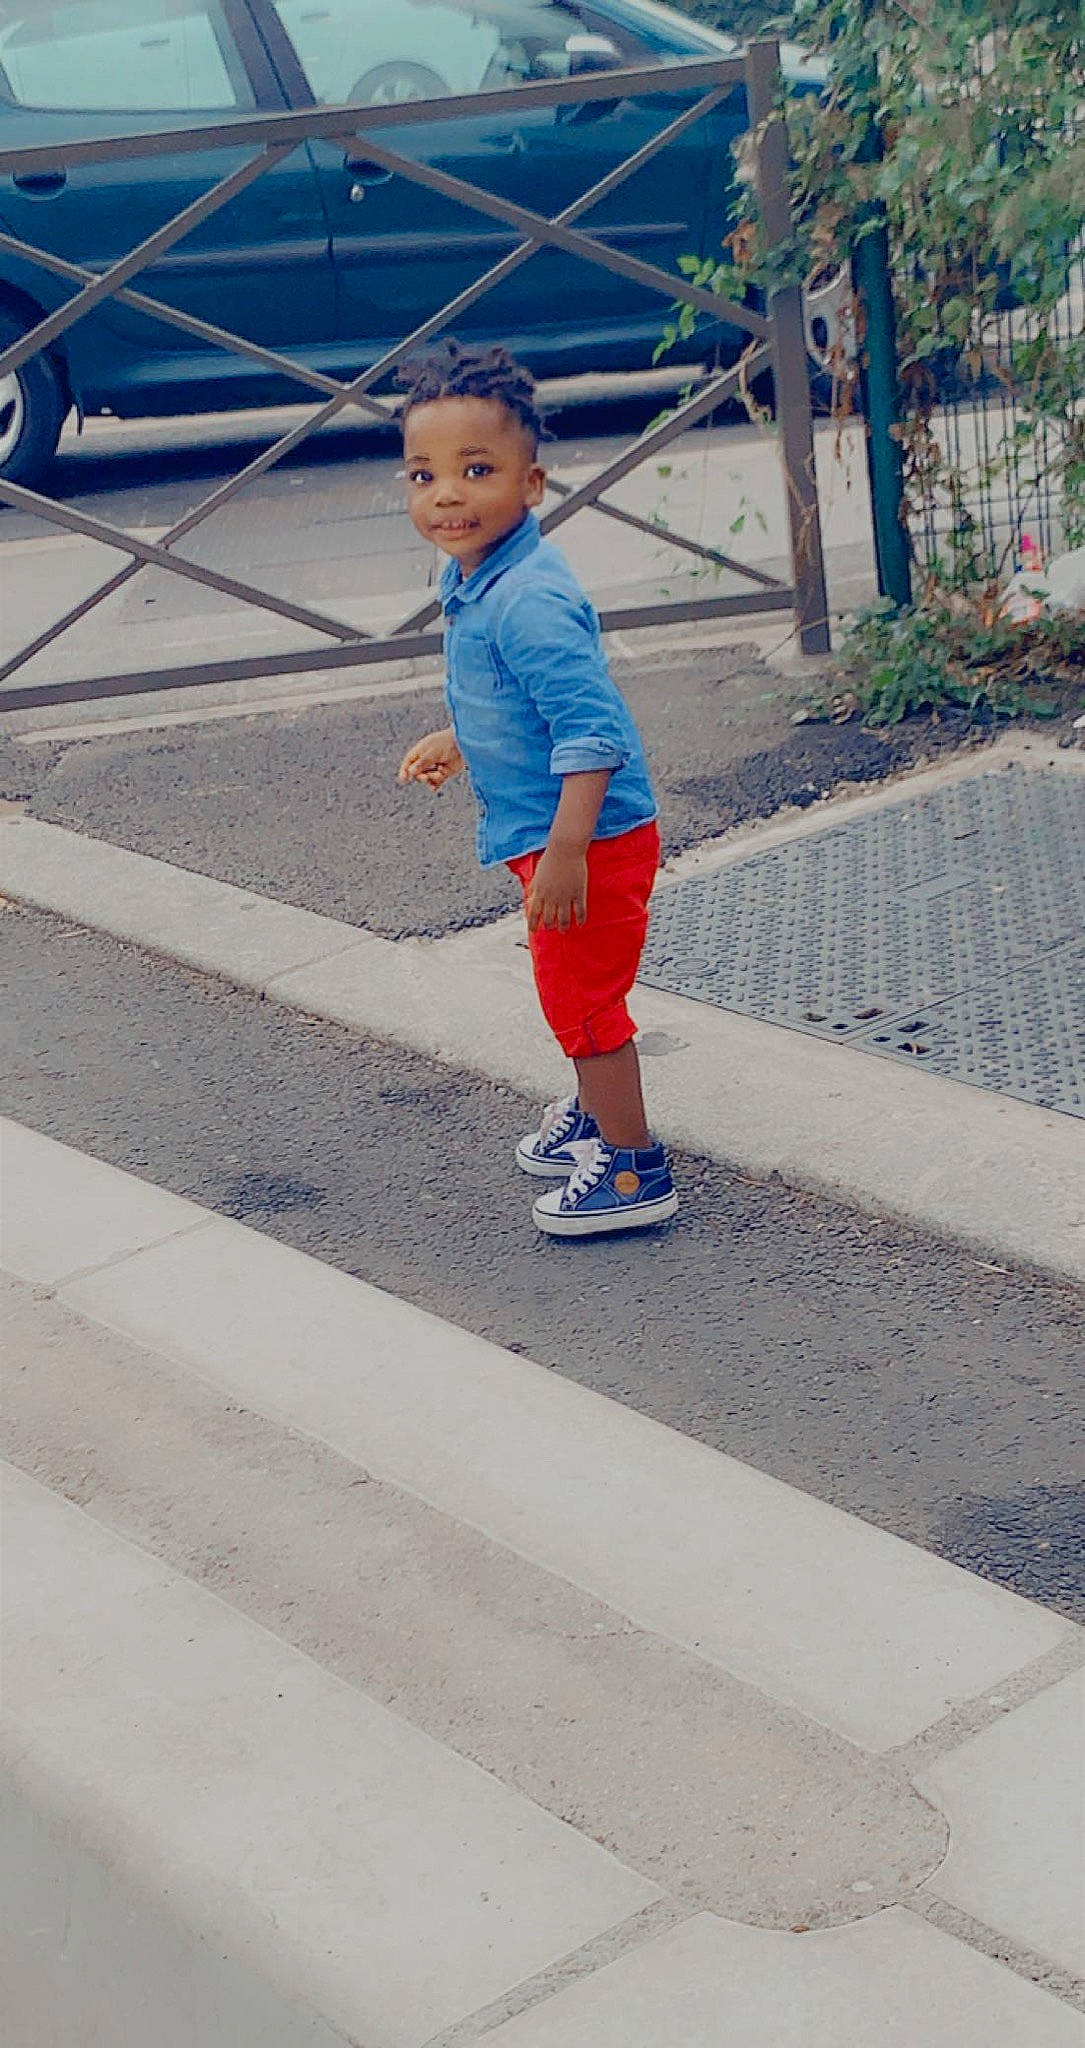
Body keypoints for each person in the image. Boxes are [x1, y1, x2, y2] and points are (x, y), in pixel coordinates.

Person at [397, 339, 677, 1238]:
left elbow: (590, 732)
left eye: (476, 470)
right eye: (422, 474)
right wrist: (464, 739)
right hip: (557, 835)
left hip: (584, 840)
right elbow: (523, 706)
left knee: (584, 1005)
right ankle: (597, 1118)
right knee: (575, 992)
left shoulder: (526, 600)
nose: (446, 494)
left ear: (532, 483)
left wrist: (565, 855)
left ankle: (634, 1172)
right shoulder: (475, 573)